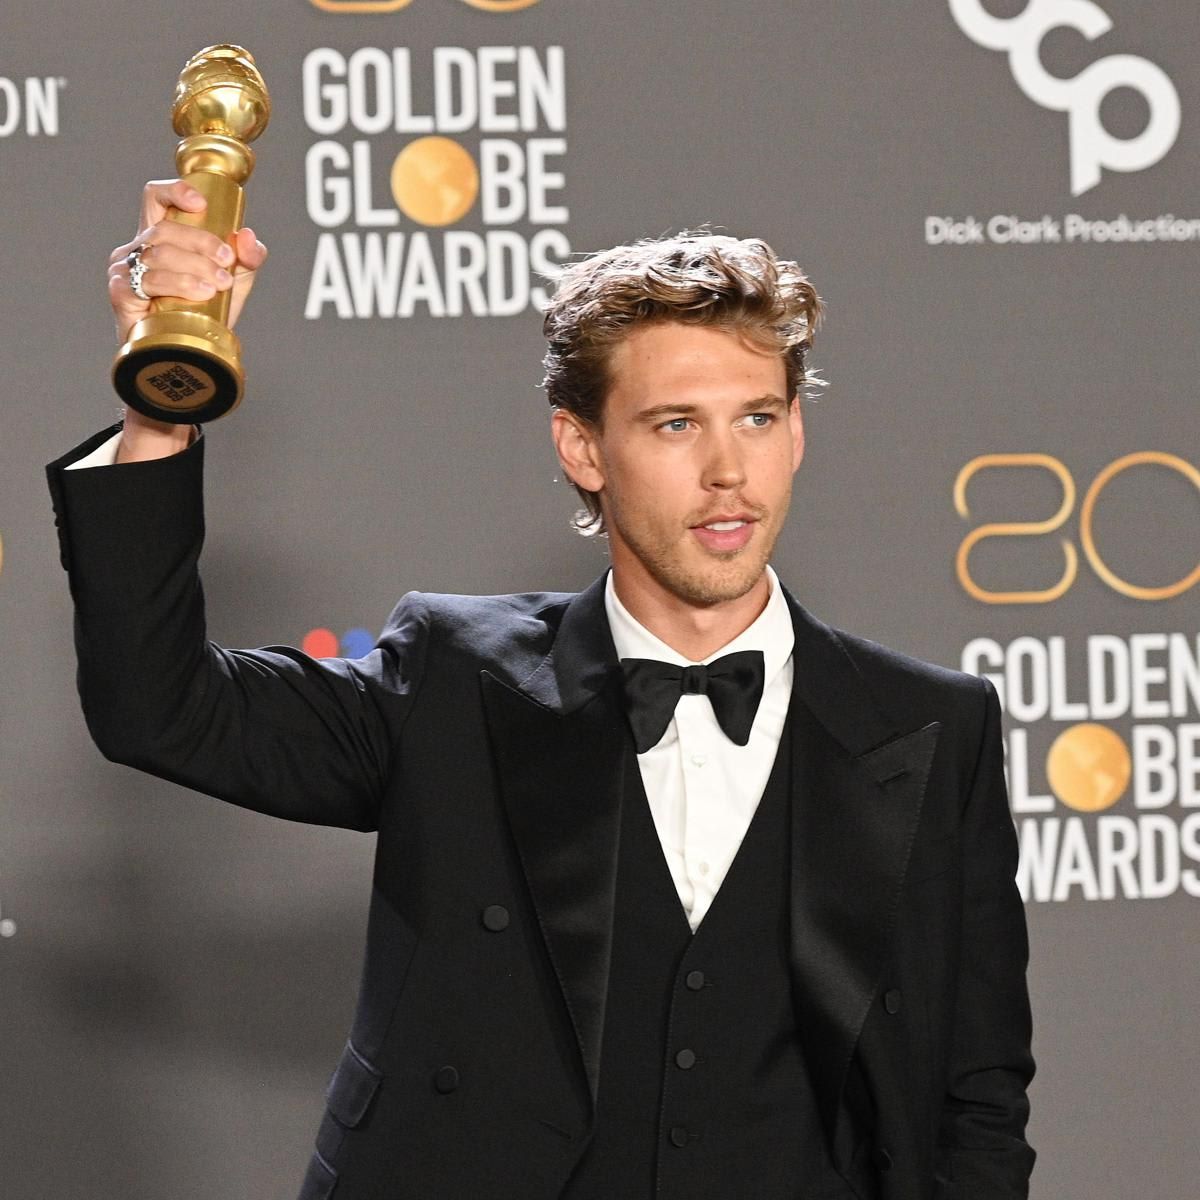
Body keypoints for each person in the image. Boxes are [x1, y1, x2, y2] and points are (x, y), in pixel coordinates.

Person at [48, 180, 1035, 1200]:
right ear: (582, 447)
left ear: (795, 433)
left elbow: (978, 1096)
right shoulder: (452, 683)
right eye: (674, 426)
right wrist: (161, 396)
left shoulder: (928, 728)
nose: (729, 471)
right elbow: (157, 709)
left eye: (757, 417)